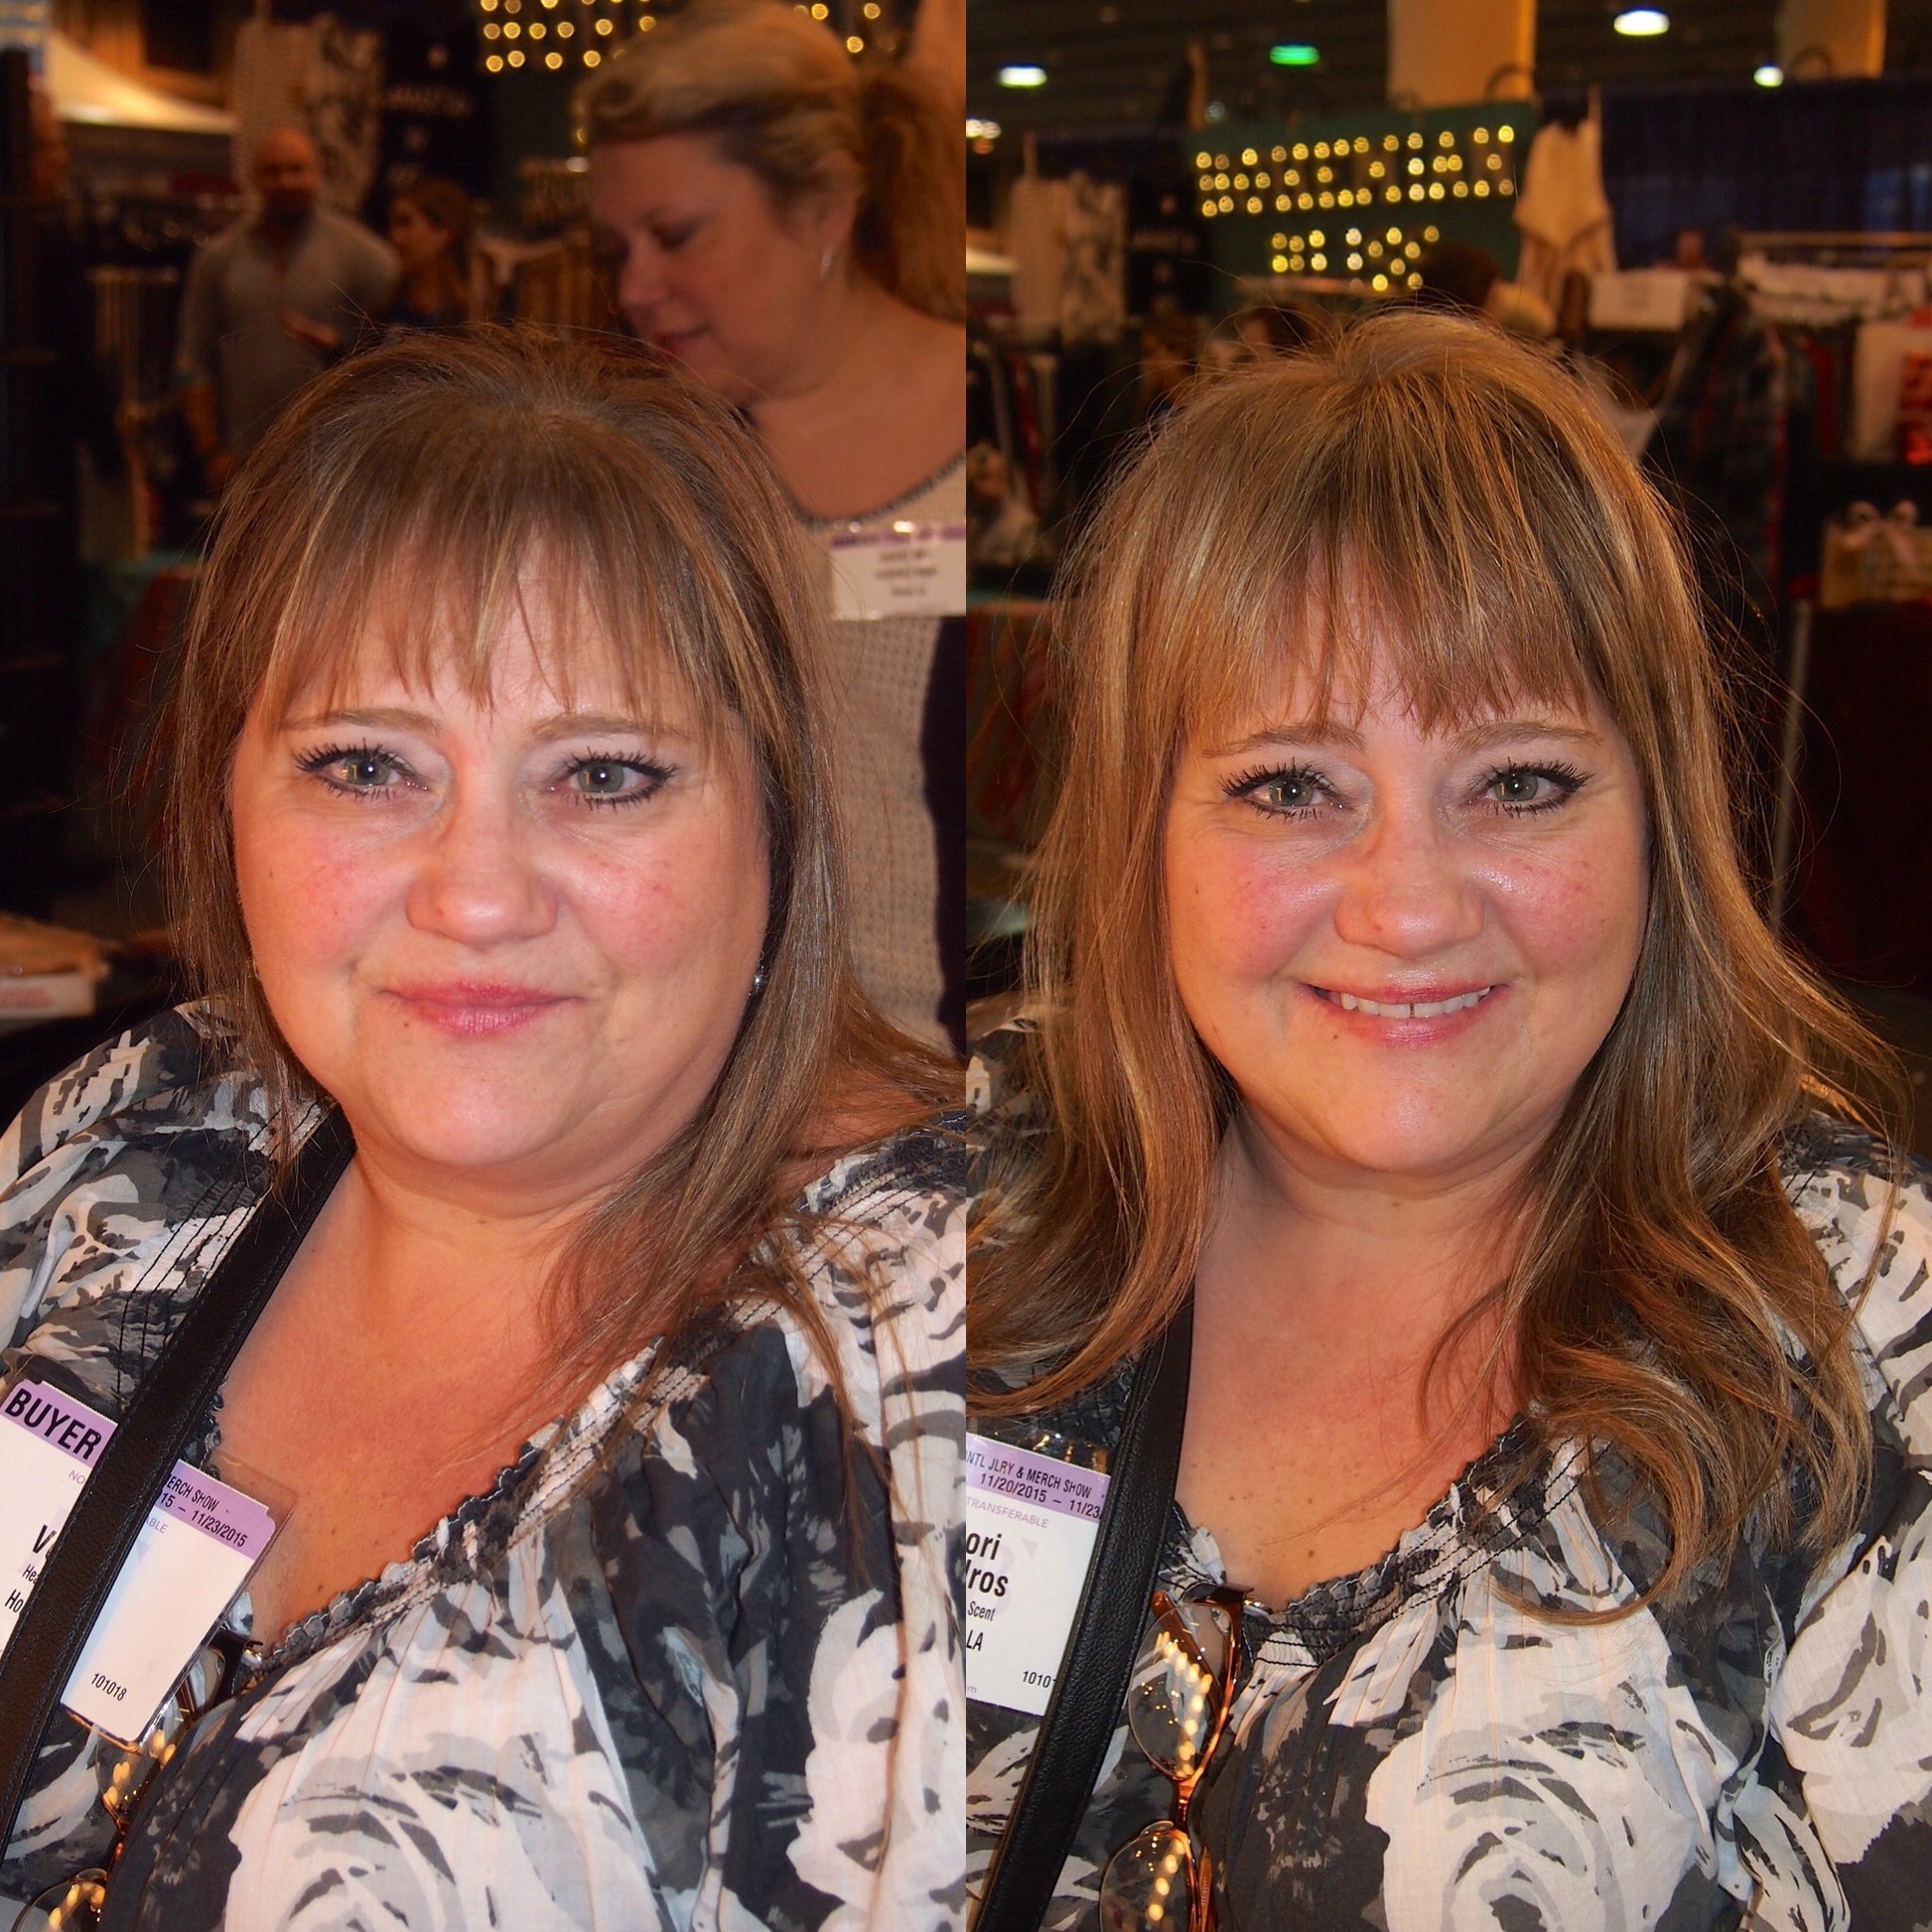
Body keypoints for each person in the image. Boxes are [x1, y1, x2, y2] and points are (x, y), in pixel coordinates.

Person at [965, 312, 1932, 1929]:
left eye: (1520, 783)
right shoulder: (955, 1215)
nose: (1406, 908)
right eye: (1290, 787)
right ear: (1144, 825)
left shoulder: (1869, 1340)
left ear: (1660, 818)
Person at [0, 331, 963, 1929]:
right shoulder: (136, 1136)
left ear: (776, 822)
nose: (475, 893)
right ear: (228, 794)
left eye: (603, 774)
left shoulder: (925, 1370)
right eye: (365, 765)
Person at [584, 0, 968, 1053]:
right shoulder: (657, 465)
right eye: (617, 247)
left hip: (930, 1070)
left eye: (675, 235)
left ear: (825, 205)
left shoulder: (989, 439)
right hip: (714, 1075)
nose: (636, 287)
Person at [177, 126, 396, 487]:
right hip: (245, 460)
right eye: (274, 171)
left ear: (317, 174)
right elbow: (192, 361)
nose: (286, 181)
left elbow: (396, 351)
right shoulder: (219, 258)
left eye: (297, 170)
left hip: (332, 460)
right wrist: (211, 451)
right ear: (254, 178)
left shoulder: (363, 255)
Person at [382, 179, 477, 334]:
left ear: (444, 232)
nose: (395, 237)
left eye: (406, 223)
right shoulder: (385, 305)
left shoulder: (463, 318)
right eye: (393, 224)